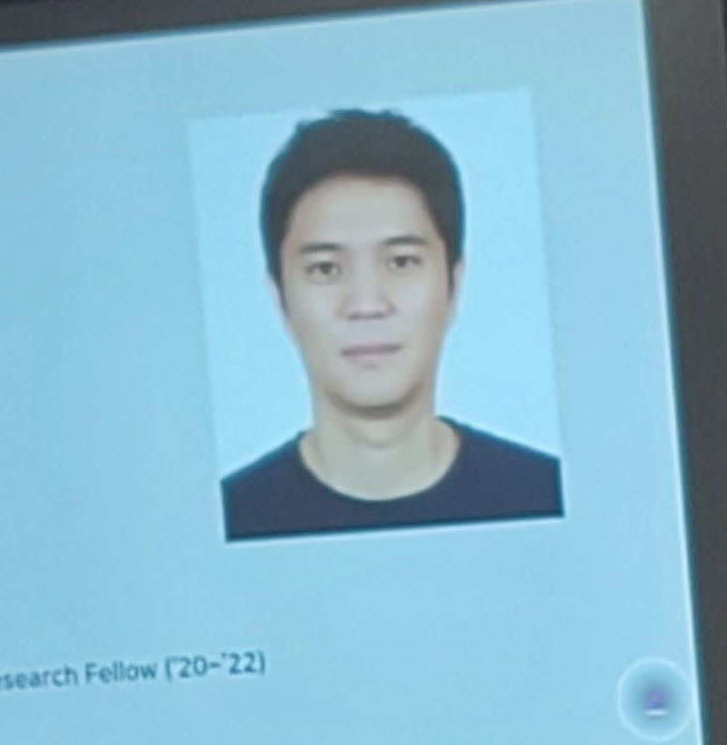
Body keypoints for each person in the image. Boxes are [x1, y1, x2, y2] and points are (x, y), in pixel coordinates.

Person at [217, 107, 564, 539]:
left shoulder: (546, 496)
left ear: (454, 285)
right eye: (325, 269)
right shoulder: (230, 518)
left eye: (401, 262)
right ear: (280, 299)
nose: (366, 305)